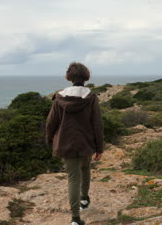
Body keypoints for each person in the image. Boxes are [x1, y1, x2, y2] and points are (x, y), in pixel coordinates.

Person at [46, 62, 104, 225]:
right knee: (85, 169)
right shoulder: (91, 97)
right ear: (86, 77)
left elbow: (51, 123)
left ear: (69, 77)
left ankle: (75, 219)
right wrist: (100, 147)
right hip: (86, 143)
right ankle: (84, 199)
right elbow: (97, 124)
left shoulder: (59, 97)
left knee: (73, 178)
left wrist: (49, 139)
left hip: (65, 143)